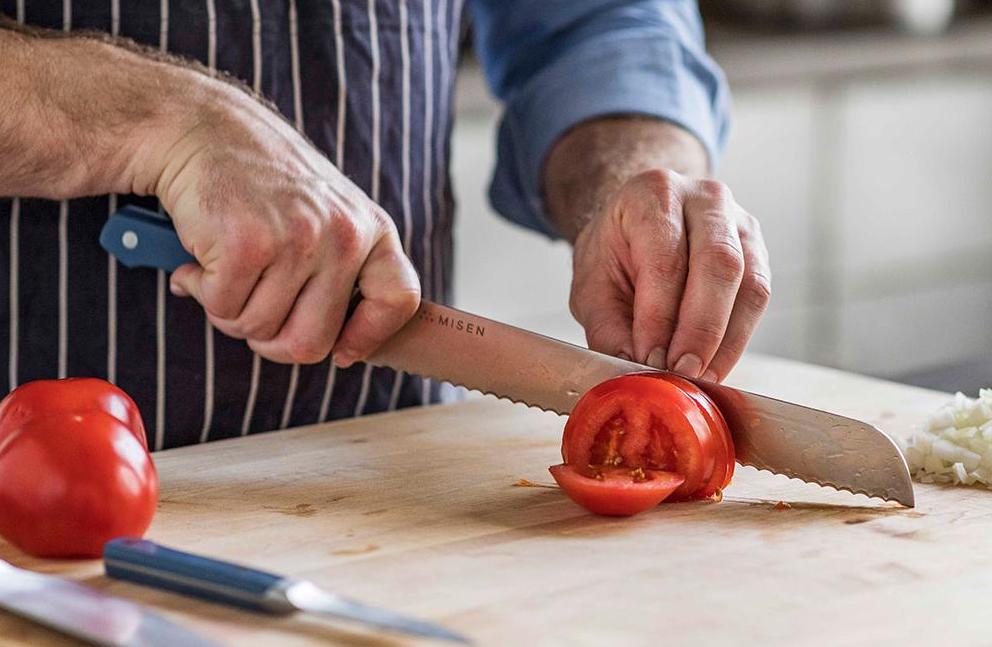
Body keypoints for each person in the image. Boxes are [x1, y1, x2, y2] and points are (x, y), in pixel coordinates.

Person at [0, 1, 770, 450]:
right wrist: (157, 120)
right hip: (34, 485)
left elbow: (597, 25)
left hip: (391, 477)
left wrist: (634, 175)